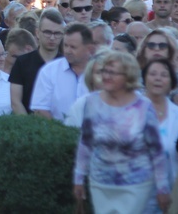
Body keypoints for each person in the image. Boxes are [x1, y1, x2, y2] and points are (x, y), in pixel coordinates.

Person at [73, 51, 171, 213]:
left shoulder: (143, 106)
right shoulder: (92, 102)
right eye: (105, 71)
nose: (106, 76)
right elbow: (86, 142)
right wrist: (78, 178)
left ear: (128, 77)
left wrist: (162, 187)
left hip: (135, 184)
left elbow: (156, 151)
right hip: (100, 183)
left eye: (113, 72)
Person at [142, 59, 178, 213]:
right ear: (144, 78)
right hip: (136, 194)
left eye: (164, 75)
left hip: (171, 195)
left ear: (172, 83)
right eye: (153, 74)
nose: (158, 78)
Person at [31, 23, 95, 121]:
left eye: (73, 47)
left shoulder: (101, 71)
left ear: (88, 49)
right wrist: (61, 132)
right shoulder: (49, 71)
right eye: (65, 45)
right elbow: (40, 110)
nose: (68, 51)